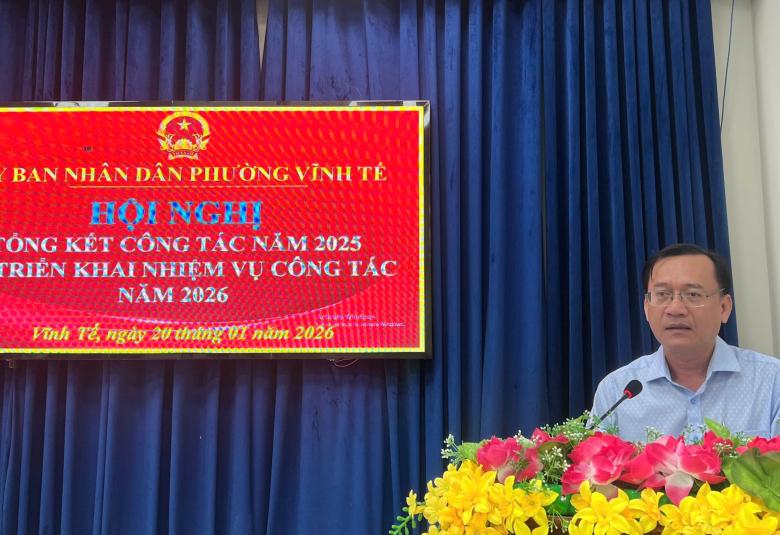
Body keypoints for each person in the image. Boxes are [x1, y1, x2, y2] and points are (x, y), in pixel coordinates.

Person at [591, 243, 780, 442]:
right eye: (662, 294)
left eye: (693, 295)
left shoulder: (771, 382)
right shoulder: (616, 391)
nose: (675, 309)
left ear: (724, 308)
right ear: (647, 308)